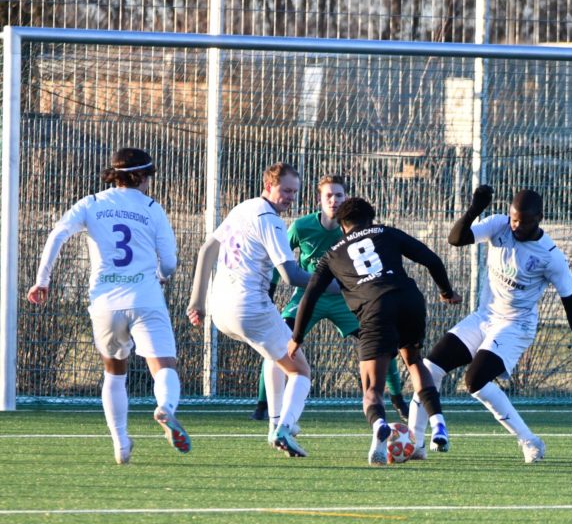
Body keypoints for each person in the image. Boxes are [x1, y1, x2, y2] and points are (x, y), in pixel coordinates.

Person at [409, 185, 572, 463]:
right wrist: (475, 208)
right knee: (429, 369)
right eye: (513, 219)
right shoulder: (499, 225)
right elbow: (455, 239)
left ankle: (530, 441)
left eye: (524, 221)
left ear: (540, 218)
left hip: (515, 326)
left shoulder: (551, 256)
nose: (516, 226)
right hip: (484, 317)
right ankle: (415, 445)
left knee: (475, 381)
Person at [27, 147, 190, 465]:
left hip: (105, 302)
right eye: (148, 178)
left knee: (115, 374)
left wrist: (42, 280)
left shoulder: (92, 203)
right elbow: (169, 263)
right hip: (145, 298)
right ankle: (165, 409)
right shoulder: (153, 208)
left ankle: (121, 444)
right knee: (164, 367)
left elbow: (58, 234)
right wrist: (160, 274)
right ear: (141, 176)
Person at [288, 197, 462, 465]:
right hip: (409, 298)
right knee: (413, 360)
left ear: (342, 226)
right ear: (371, 219)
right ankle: (438, 423)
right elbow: (432, 260)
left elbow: (309, 295)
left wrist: (297, 337)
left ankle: (380, 427)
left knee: (372, 387)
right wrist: (446, 291)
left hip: (375, 308)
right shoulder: (387, 232)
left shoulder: (332, 255)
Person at [187, 162, 339, 458]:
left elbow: (207, 250)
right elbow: (292, 276)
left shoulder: (243, 207)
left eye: (294, 192)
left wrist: (197, 301)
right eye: (285, 190)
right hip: (249, 308)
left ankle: (276, 425)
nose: (290, 197)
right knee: (302, 372)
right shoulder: (270, 220)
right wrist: (342, 286)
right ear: (268, 186)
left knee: (277, 357)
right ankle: (285, 425)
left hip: (220, 310)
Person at [250, 175, 410, 423]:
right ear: (319, 199)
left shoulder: (355, 231)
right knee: (279, 340)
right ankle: (263, 405)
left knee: (380, 341)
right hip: (306, 298)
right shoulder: (301, 227)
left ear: (346, 199)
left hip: (344, 300)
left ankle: (399, 399)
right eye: (329, 195)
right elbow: (277, 259)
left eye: (339, 195)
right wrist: (269, 291)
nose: (334, 200)